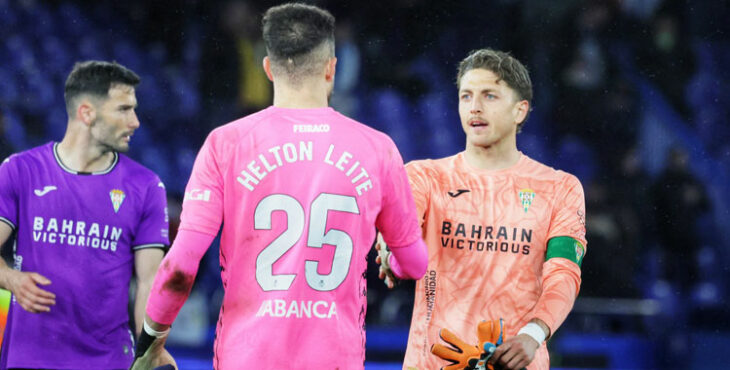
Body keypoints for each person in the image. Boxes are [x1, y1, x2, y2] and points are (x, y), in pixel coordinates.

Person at [133, 3, 427, 369]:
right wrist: (392, 260)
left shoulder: (226, 143)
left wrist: (152, 340)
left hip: (247, 357)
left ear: (268, 68)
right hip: (335, 357)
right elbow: (416, 264)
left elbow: (180, 265)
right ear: (331, 69)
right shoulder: (378, 148)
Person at [377, 49, 587, 370]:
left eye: (490, 96)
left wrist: (533, 334)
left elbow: (563, 275)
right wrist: (394, 252)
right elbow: (404, 245)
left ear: (520, 111)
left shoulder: (560, 188)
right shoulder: (423, 177)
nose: (474, 107)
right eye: (466, 96)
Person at [0, 61, 170, 368]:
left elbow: (149, 282)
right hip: (30, 358)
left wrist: (150, 349)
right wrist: (11, 278)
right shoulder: (20, 171)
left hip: (107, 361)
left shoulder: (146, 187)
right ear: (87, 113)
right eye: (123, 109)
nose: (135, 122)